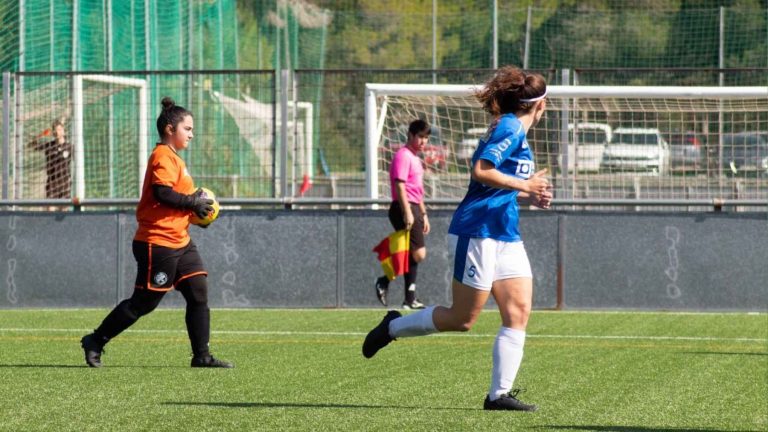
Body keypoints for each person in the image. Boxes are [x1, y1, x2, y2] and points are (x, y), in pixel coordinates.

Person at [362, 66, 552, 411]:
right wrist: (525, 185)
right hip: (476, 232)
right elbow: (481, 170)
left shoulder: (517, 134)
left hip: (506, 233)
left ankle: (499, 395)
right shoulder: (509, 127)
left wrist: (528, 197)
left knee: (519, 311)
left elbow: (493, 187)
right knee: (463, 319)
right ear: (542, 105)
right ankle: (393, 327)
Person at [80, 97, 233, 369]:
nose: (192, 134)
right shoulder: (162, 155)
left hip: (181, 241)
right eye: (188, 129)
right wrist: (192, 202)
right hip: (157, 243)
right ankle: (96, 339)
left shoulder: (176, 160)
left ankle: (202, 356)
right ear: (170, 129)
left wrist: (198, 216)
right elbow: (162, 194)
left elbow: (177, 202)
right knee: (144, 303)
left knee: (198, 292)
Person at [374, 119, 432, 310]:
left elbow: (417, 190)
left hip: (414, 207)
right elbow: (400, 185)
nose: (423, 141)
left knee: (410, 253)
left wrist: (424, 214)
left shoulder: (416, 159)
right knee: (419, 253)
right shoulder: (403, 155)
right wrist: (408, 212)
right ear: (411, 135)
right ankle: (385, 280)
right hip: (403, 206)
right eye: (420, 137)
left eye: (426, 138)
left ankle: (409, 298)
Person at [32, 118, 72, 203]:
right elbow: (32, 145)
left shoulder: (70, 147)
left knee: (64, 210)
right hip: (52, 182)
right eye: (56, 130)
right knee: (50, 208)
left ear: (64, 131)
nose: (58, 132)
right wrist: (38, 137)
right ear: (53, 133)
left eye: (60, 129)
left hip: (65, 182)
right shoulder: (49, 145)